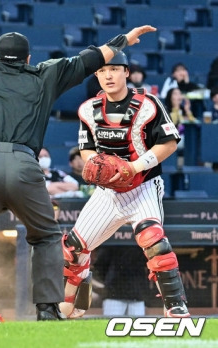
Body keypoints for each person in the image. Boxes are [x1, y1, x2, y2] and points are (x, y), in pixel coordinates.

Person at [0, 25, 157, 323]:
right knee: (45, 236)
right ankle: (47, 309)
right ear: (28, 58)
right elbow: (91, 58)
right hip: (24, 166)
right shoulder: (44, 74)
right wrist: (125, 39)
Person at [59, 51, 190, 319]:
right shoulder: (88, 109)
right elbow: (87, 150)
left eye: (115, 69)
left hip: (143, 185)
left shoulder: (149, 104)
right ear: (96, 74)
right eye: (103, 70)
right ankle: (75, 303)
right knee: (73, 248)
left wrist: (133, 167)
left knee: (153, 240)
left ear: (126, 72)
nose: (108, 75)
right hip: (108, 193)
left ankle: (176, 307)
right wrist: (97, 166)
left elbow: (169, 143)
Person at [93, 246, 150, 317]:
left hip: (136, 294)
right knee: (111, 325)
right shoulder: (112, 241)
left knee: (137, 326)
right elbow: (100, 265)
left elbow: (149, 262)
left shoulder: (141, 241)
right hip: (114, 294)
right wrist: (109, 279)